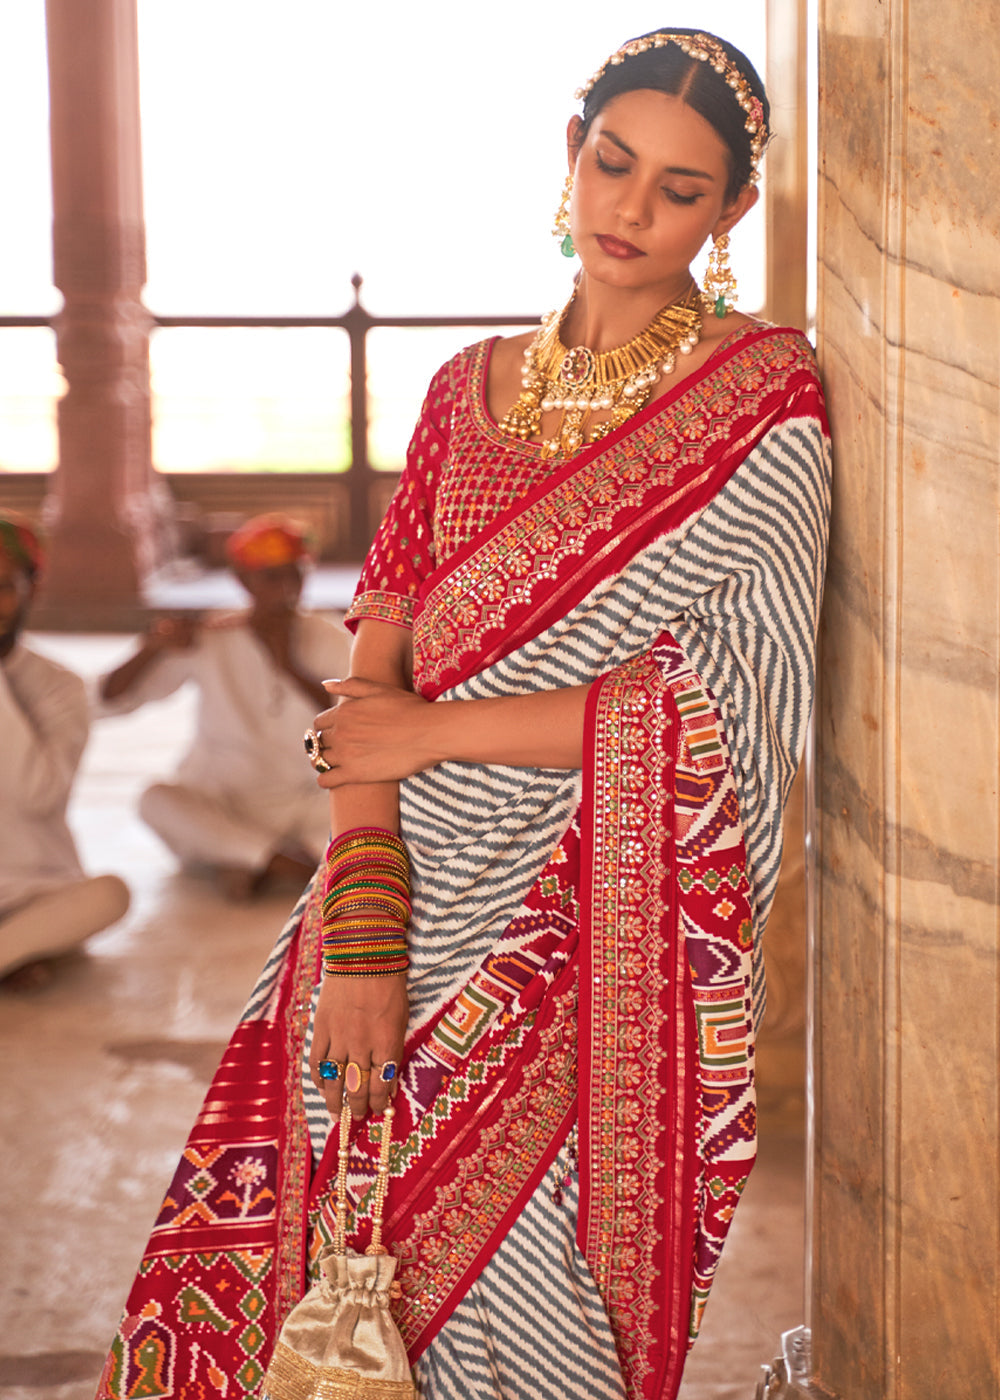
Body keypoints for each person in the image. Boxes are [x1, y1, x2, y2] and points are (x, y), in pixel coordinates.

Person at [97, 30, 831, 1400]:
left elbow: (725, 715)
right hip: (385, 894)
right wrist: (365, 930)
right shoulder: (464, 390)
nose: (629, 209)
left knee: (515, 1278)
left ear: (733, 211)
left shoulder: (764, 401)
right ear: (571, 151)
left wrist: (434, 736)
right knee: (310, 1257)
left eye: (680, 189)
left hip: (580, 924)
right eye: (612, 163)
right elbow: (373, 677)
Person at [97, 514, 352, 899]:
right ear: (242, 581)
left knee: (375, 797)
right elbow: (111, 699)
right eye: (271, 577)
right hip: (223, 800)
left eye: (294, 576)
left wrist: (290, 668)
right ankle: (289, 864)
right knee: (156, 801)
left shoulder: (327, 635)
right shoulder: (212, 633)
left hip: (302, 800)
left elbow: (353, 719)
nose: (285, 589)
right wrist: (152, 648)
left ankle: (245, 859)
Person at [0, 514, 130, 981]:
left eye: (4, 586)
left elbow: (38, 795)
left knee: (109, 895)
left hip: (36, 884)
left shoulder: (60, 686)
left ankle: (17, 950)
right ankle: (17, 955)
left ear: (30, 590)